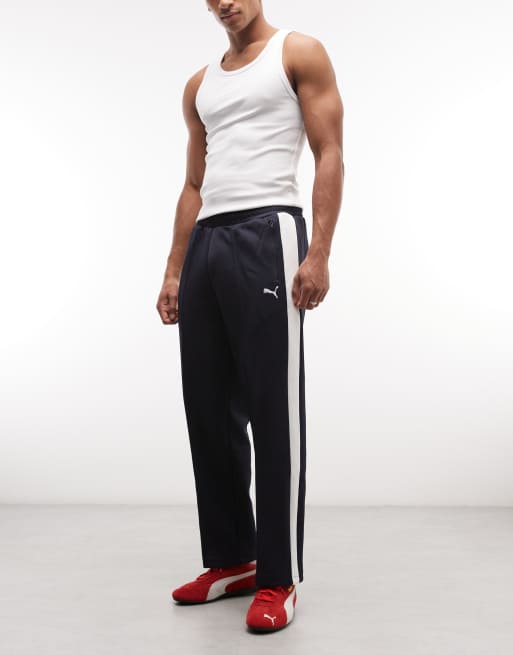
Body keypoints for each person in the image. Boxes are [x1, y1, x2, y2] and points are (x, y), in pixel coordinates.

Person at [156, 0, 344, 634]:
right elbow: (193, 183)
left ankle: (277, 576)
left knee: (273, 408)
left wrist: (318, 253)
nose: (223, 3)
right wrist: (175, 269)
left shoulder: (299, 52)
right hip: (208, 242)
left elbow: (329, 151)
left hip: (269, 232)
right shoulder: (199, 85)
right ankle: (232, 559)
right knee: (207, 408)